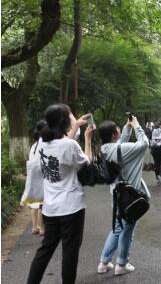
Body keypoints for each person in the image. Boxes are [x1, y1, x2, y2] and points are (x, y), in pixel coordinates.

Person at [26, 104, 93, 284]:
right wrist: (87, 140)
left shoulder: (41, 143)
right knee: (70, 252)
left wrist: (76, 125)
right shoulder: (70, 145)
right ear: (64, 122)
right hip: (71, 207)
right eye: (70, 115)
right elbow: (88, 164)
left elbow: (62, 143)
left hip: (50, 208)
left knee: (45, 250)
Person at [96, 116, 149, 276]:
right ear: (113, 135)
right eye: (117, 128)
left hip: (116, 194)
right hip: (129, 196)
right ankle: (121, 264)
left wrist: (127, 128)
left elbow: (119, 148)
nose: (120, 129)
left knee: (117, 228)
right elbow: (144, 144)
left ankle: (104, 262)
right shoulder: (122, 149)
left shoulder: (103, 150)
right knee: (127, 230)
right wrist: (137, 126)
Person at [22, 120, 48, 235]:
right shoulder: (45, 144)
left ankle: (34, 227)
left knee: (34, 203)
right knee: (42, 202)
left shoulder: (34, 146)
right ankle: (42, 228)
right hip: (41, 175)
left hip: (32, 174)